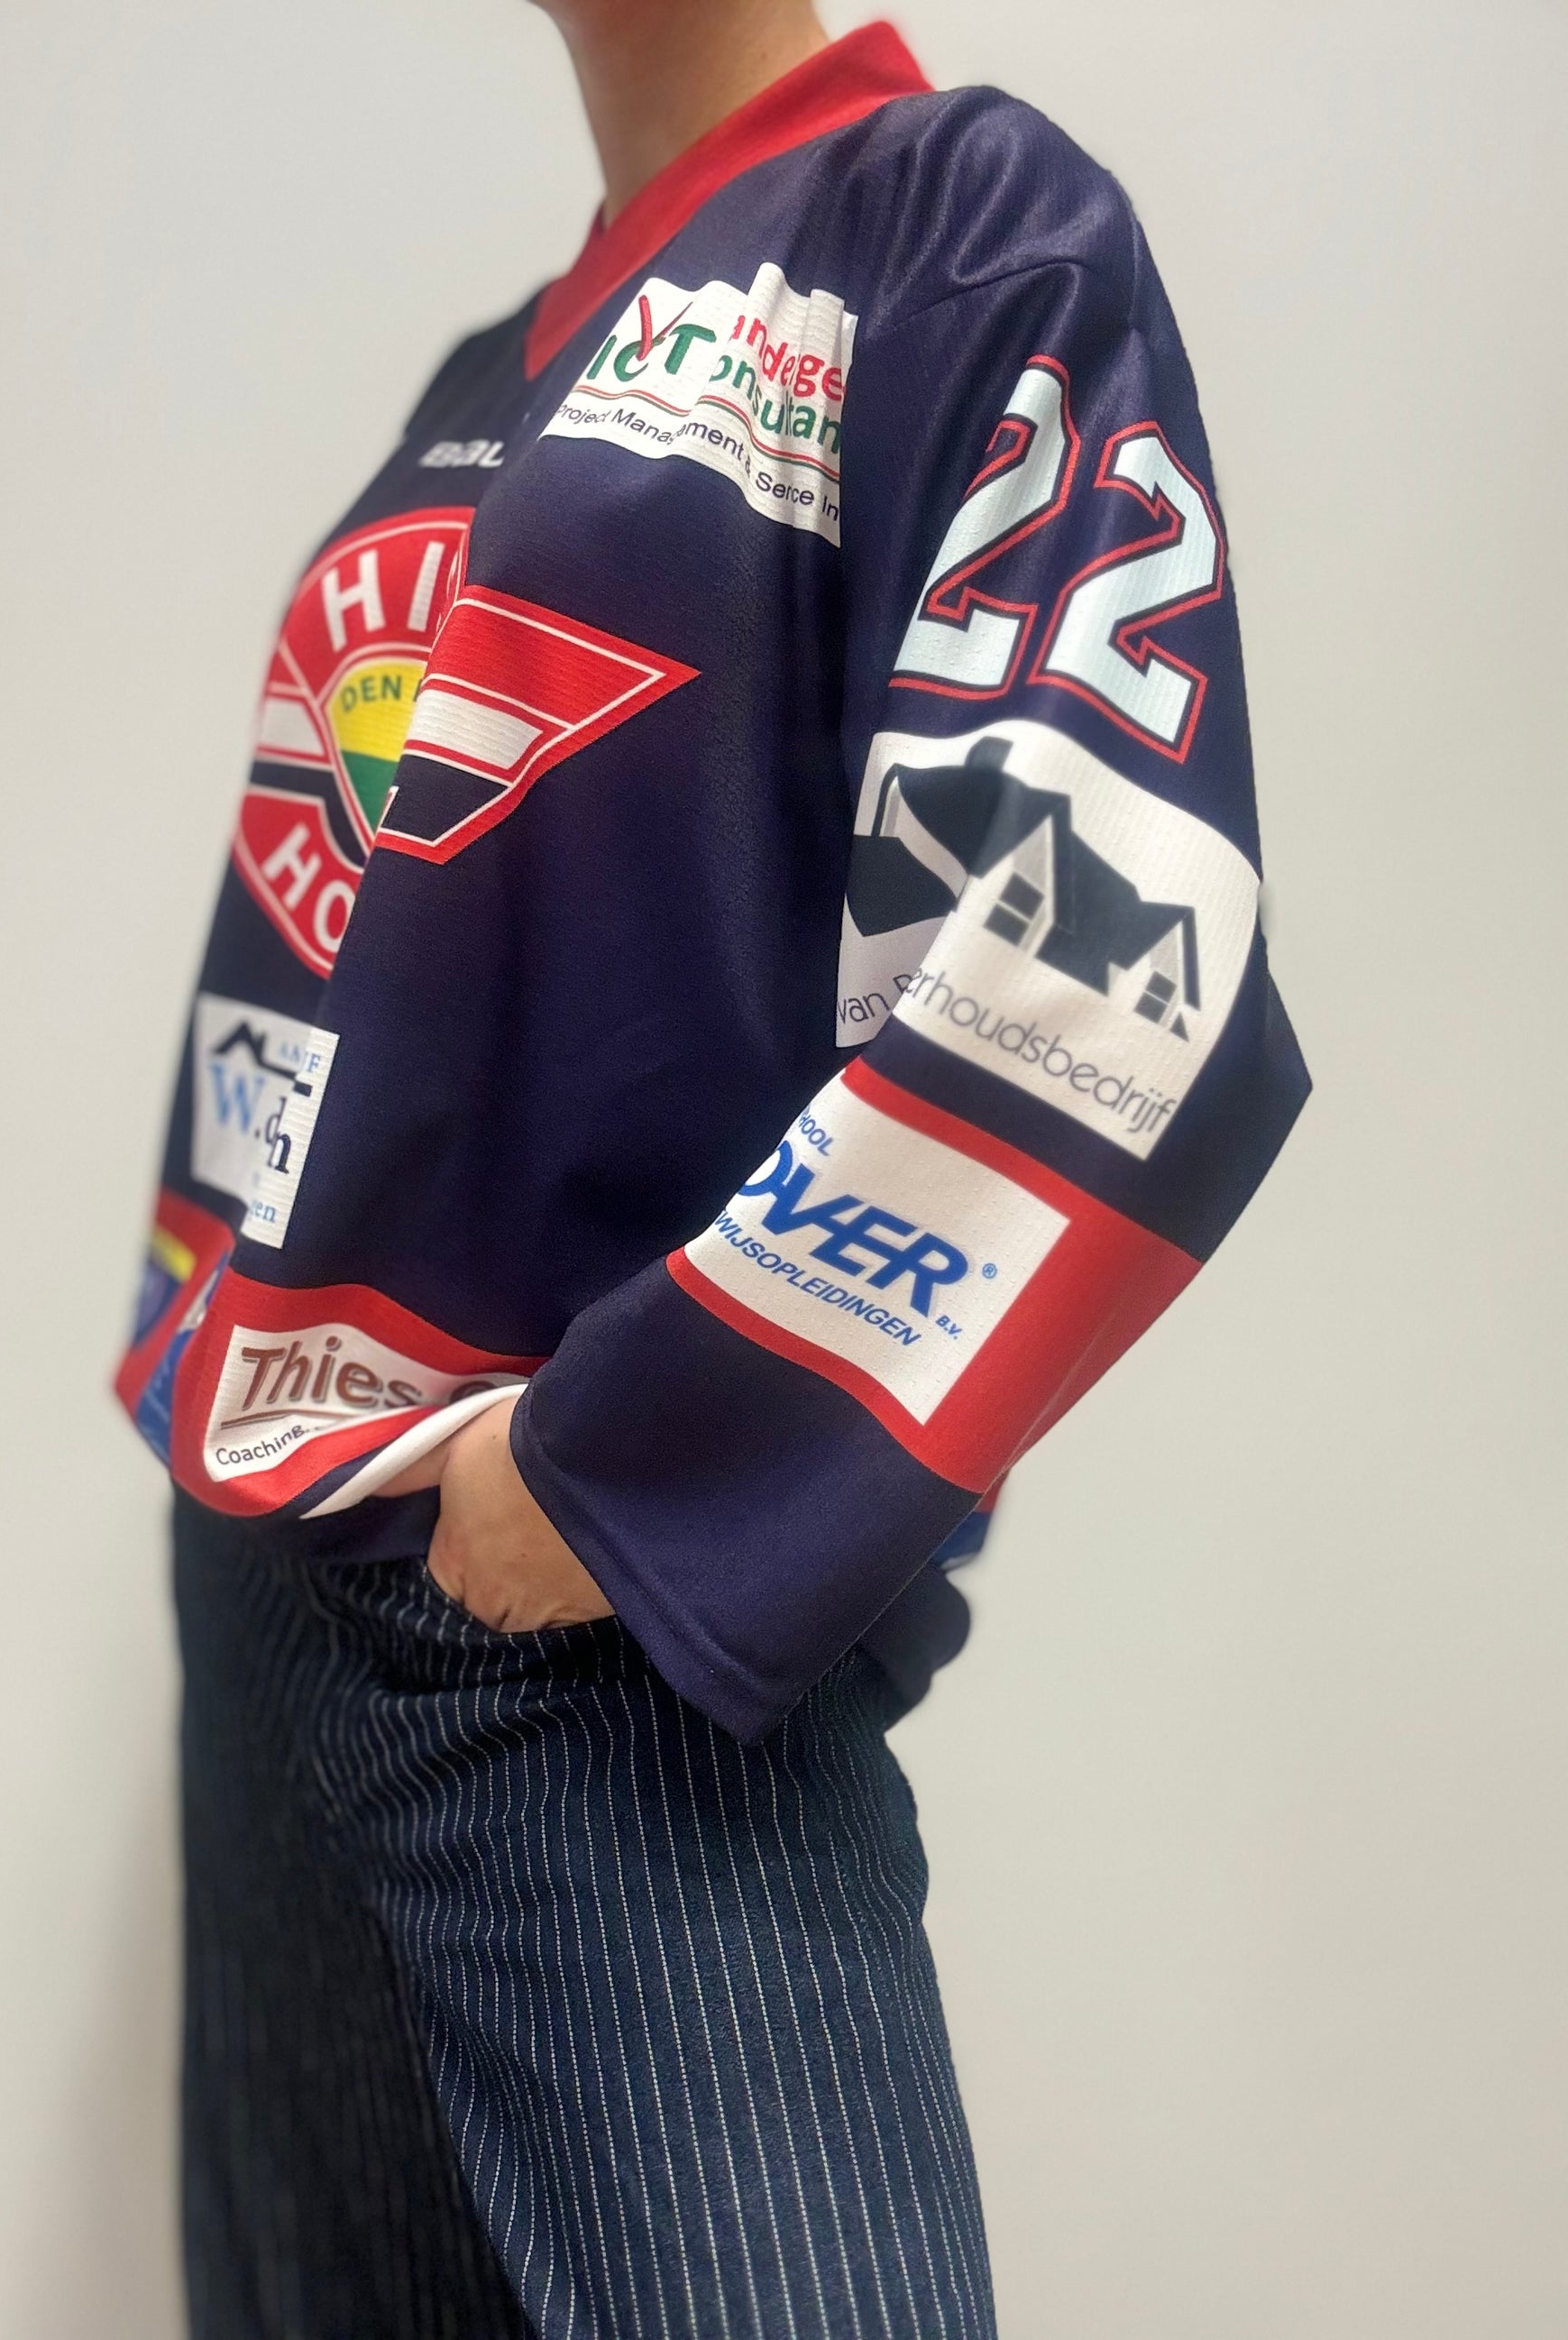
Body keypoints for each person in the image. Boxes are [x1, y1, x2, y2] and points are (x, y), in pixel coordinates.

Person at [115, 4, 1309, 2333]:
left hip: (600, 1630)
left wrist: (619, 1475)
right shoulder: (485, 366)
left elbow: (1106, 961)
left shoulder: (955, 223)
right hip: (270, 1558)